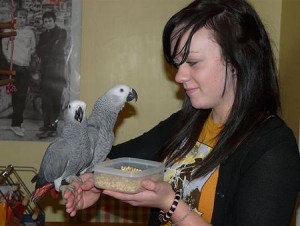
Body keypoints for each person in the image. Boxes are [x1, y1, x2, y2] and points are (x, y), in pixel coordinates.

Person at [63, 0, 300, 225]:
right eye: (178, 64)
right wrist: (97, 182)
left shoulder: (274, 149)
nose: (179, 76)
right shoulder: (186, 123)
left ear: (239, 59)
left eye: (193, 62)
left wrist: (171, 204)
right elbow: (114, 159)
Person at [2, 8, 36, 137]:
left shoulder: (30, 33)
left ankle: (17, 124)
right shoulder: (9, 31)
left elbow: (32, 49)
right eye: (19, 17)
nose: (22, 20)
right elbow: (4, 48)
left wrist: (25, 56)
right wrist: (11, 60)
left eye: (24, 17)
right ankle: (15, 124)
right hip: (14, 68)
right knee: (16, 96)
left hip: (24, 68)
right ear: (14, 18)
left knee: (22, 96)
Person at [35, 11, 67, 139]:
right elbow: (39, 50)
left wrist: (45, 50)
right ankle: (46, 125)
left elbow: (57, 49)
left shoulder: (62, 33)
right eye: (45, 21)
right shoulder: (43, 35)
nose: (47, 23)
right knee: (45, 100)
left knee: (54, 100)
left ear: (54, 21)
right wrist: (47, 49)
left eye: (49, 21)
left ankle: (52, 128)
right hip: (45, 71)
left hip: (57, 71)